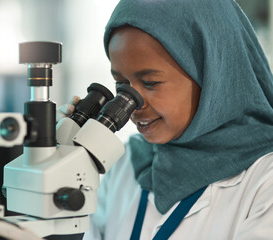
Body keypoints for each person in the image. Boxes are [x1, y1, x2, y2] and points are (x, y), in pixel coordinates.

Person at [59, 0, 273, 239]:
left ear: (213, 75)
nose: (132, 103)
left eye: (150, 83)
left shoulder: (265, 182)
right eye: (121, 85)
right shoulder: (126, 164)